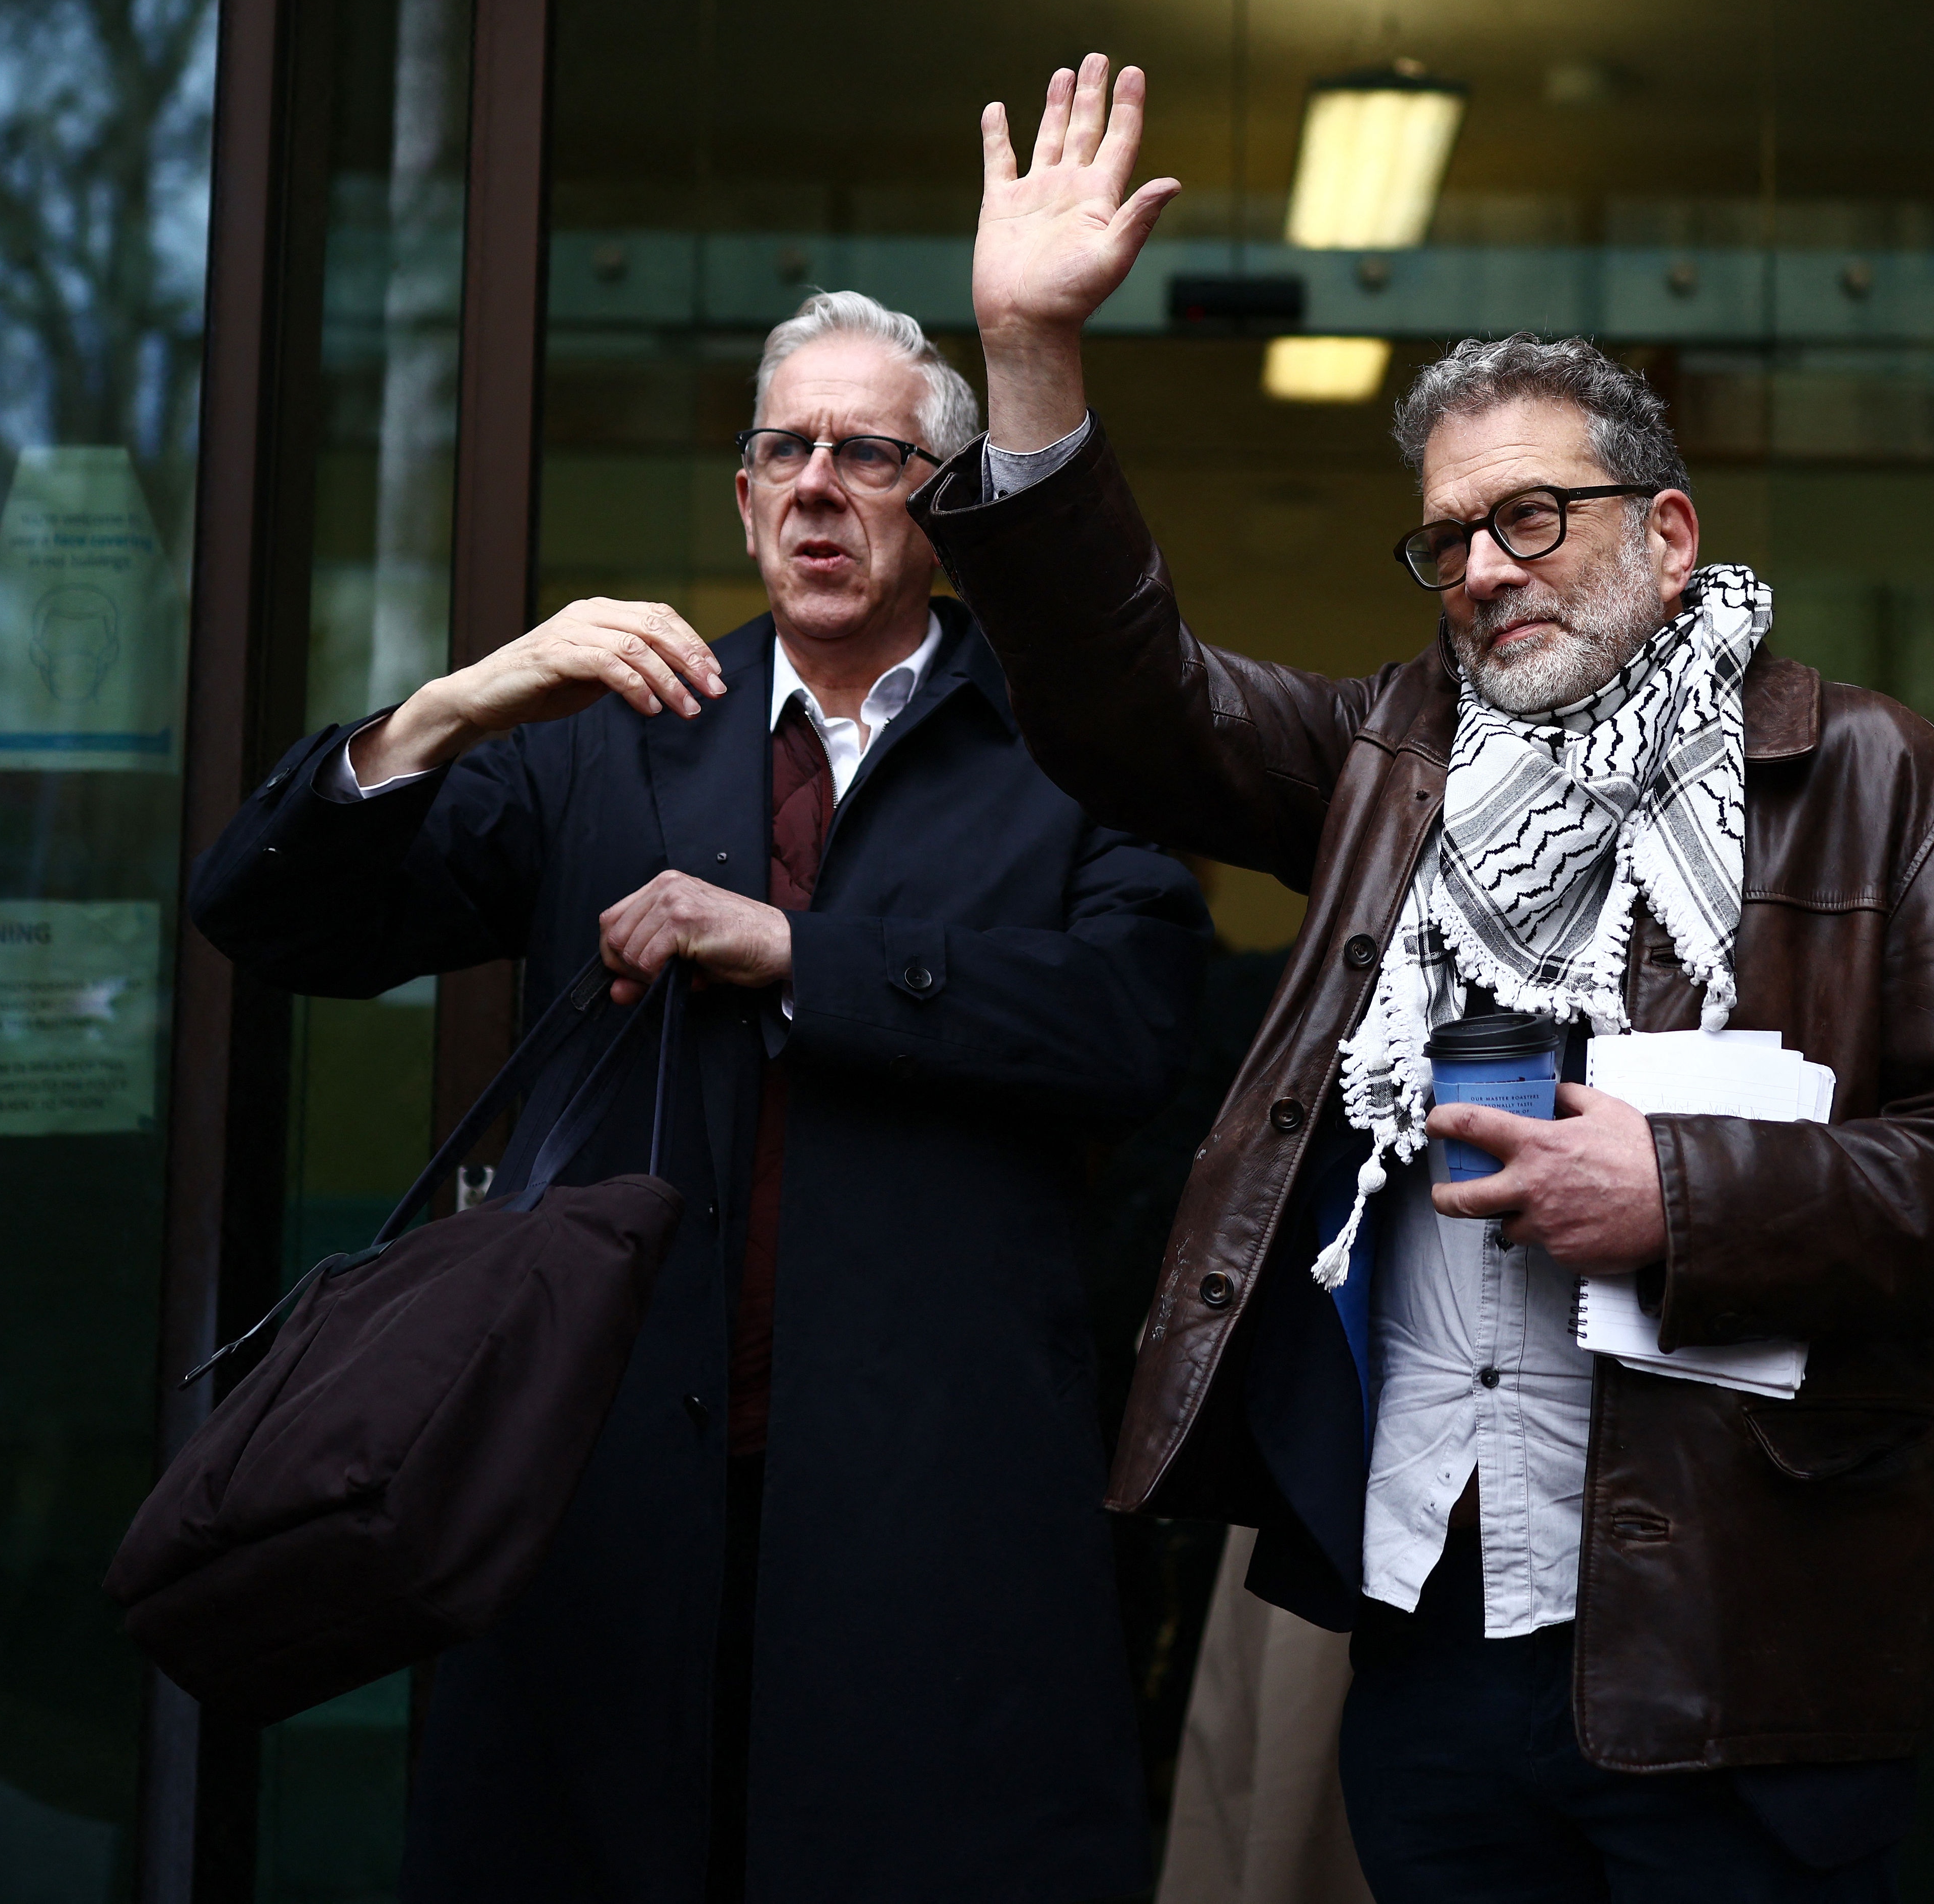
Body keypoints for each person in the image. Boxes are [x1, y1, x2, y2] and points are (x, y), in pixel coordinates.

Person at [916, 56, 1934, 1903]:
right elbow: (1131, 701)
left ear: (1667, 534)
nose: (1479, 567)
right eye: (1447, 536)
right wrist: (1032, 360)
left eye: (1530, 516)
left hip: (1735, 1647)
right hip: (1434, 1611)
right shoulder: (1389, 758)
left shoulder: (1868, 773)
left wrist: (1681, 1192)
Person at [188, 291, 1209, 1904]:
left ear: (944, 503)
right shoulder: (608, 740)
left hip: (933, 1516)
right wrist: (451, 708)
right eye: (784, 451)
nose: (818, 487)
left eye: (869, 455)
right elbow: (272, 922)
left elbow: (1139, 1029)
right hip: (604, 1509)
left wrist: (806, 955)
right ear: (743, 499)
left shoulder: (1068, 748)